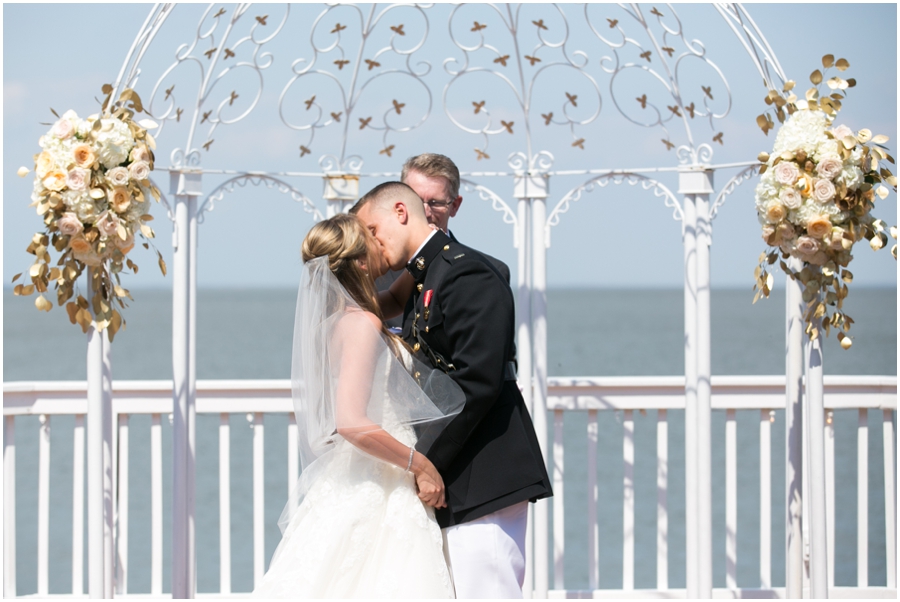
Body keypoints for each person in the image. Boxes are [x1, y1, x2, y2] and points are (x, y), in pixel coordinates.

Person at [353, 182, 552, 599]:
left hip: (484, 473)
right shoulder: (424, 275)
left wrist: (422, 462)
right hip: (454, 474)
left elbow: (476, 381)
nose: (371, 242)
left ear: (401, 212)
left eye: (372, 228)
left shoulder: (467, 272)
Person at [253, 214, 465, 598]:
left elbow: (399, 298)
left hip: (348, 475)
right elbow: (351, 422)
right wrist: (422, 465)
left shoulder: (334, 323)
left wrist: (433, 239)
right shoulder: (363, 323)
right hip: (383, 475)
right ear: (362, 262)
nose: (379, 240)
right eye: (370, 237)